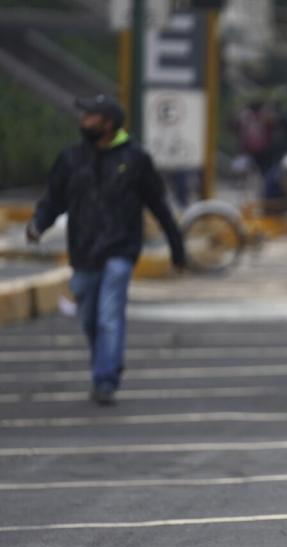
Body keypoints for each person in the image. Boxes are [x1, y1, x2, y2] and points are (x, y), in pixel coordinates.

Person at [26, 95, 186, 406]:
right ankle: (108, 360)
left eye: (90, 116)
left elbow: (159, 205)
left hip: (120, 251)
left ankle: (105, 380)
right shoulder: (72, 158)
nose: (83, 121)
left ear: (107, 123)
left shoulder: (135, 158)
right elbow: (54, 199)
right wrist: (37, 226)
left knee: (109, 317)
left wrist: (177, 249)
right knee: (88, 319)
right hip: (83, 253)